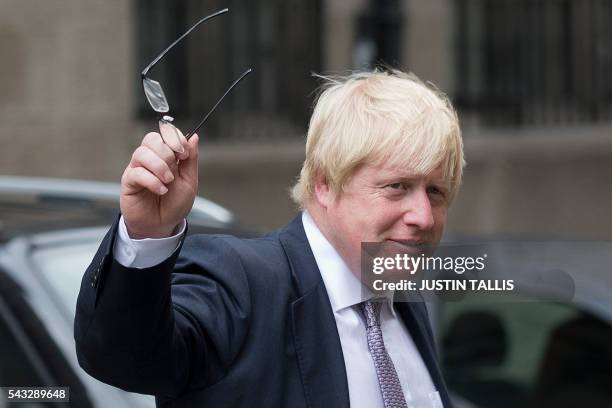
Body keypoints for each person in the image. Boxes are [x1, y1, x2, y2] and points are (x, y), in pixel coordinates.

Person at [74, 69, 464, 408]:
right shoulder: (241, 283)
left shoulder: (402, 304)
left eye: (436, 192)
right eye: (397, 186)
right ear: (325, 184)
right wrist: (146, 234)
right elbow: (124, 358)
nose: (423, 217)